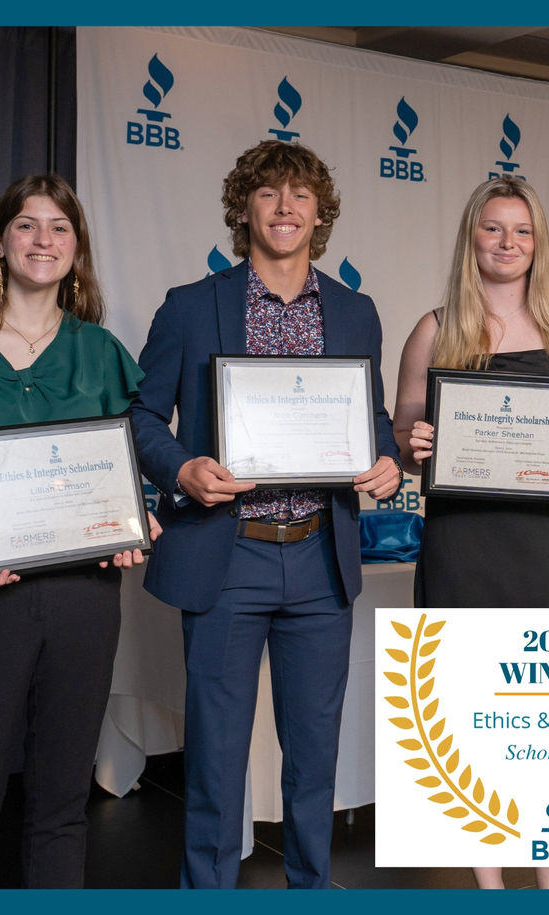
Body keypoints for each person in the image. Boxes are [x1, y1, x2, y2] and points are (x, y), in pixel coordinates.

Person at [130, 140, 402, 889]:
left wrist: (387, 460)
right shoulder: (191, 307)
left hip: (319, 555)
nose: (286, 208)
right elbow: (143, 416)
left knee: (314, 756)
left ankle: (309, 891)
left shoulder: (355, 311)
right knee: (216, 758)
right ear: (243, 208)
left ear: (320, 213)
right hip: (227, 553)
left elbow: (373, 418)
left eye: (301, 195)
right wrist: (180, 467)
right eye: (269, 194)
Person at [0, 174, 156, 887]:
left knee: (61, 802)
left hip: (84, 597)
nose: (42, 240)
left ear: (76, 248)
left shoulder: (100, 350)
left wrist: (131, 516)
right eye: (26, 225)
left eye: (59, 227)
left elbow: (117, 465)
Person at [391, 175, 549, 889]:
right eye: (493, 228)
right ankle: (488, 889)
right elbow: (402, 435)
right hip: (464, 543)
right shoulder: (435, 328)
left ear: (538, 241)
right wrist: (414, 442)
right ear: (472, 236)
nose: (507, 242)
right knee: (471, 716)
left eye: (522, 230)